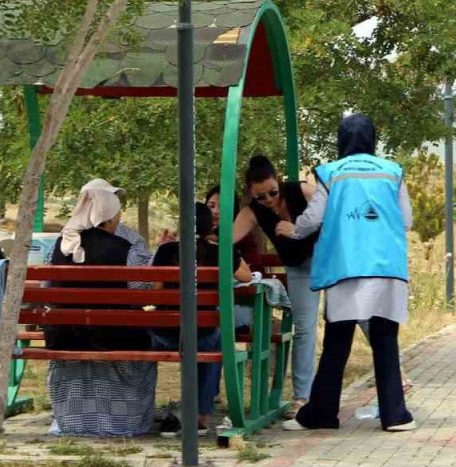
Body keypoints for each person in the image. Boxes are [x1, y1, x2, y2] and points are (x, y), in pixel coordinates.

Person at [278, 114, 416, 432]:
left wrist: (292, 229)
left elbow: (313, 219)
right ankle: (395, 415)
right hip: (386, 269)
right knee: (385, 340)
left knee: (337, 344)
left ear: (342, 141)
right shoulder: (393, 172)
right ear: (373, 140)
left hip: (346, 269)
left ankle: (322, 413)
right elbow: (406, 220)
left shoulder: (330, 173)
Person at [45, 186, 157, 437]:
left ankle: (73, 422)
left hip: (65, 337)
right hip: (116, 336)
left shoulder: (60, 247)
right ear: (108, 217)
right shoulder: (125, 248)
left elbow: (47, 289)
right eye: (117, 214)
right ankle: (123, 422)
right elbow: (142, 292)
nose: (119, 219)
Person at [223, 155, 322, 419]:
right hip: (299, 268)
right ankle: (303, 396)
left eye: (272, 193)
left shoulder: (301, 190)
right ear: (251, 195)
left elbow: (334, 211)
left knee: (356, 315)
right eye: (260, 197)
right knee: (304, 329)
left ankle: (395, 376)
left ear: (278, 181)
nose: (268, 200)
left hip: (327, 259)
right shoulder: (253, 212)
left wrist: (299, 227)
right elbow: (227, 240)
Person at [150, 202, 255, 436]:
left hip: (164, 334)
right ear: (210, 227)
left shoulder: (167, 251)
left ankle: (148, 408)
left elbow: (155, 290)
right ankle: (200, 414)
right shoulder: (219, 251)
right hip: (202, 334)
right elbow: (246, 275)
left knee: (207, 334)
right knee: (214, 338)